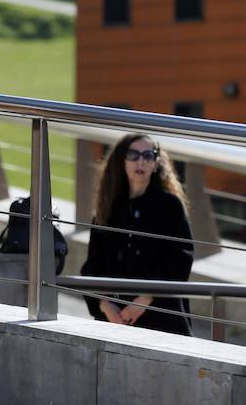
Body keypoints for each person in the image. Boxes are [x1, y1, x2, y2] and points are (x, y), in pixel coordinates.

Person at [80, 133, 194, 335]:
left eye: (148, 155)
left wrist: (146, 298)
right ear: (121, 161)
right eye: (133, 155)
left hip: (162, 317)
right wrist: (105, 304)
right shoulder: (107, 208)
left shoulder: (170, 206)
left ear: (156, 163)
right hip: (113, 320)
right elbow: (92, 267)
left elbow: (180, 260)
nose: (140, 161)